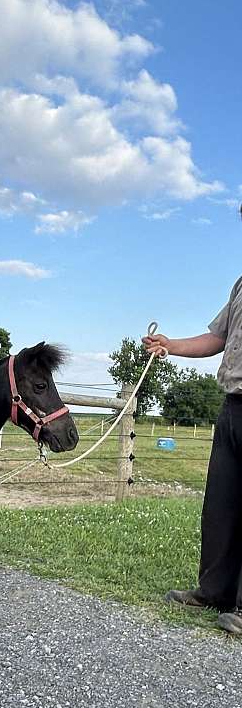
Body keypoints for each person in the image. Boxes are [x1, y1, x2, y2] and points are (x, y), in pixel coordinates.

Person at [143, 271, 242, 633]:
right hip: (232, 406)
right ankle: (213, 591)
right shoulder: (240, 284)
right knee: (220, 506)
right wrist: (171, 345)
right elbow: (217, 337)